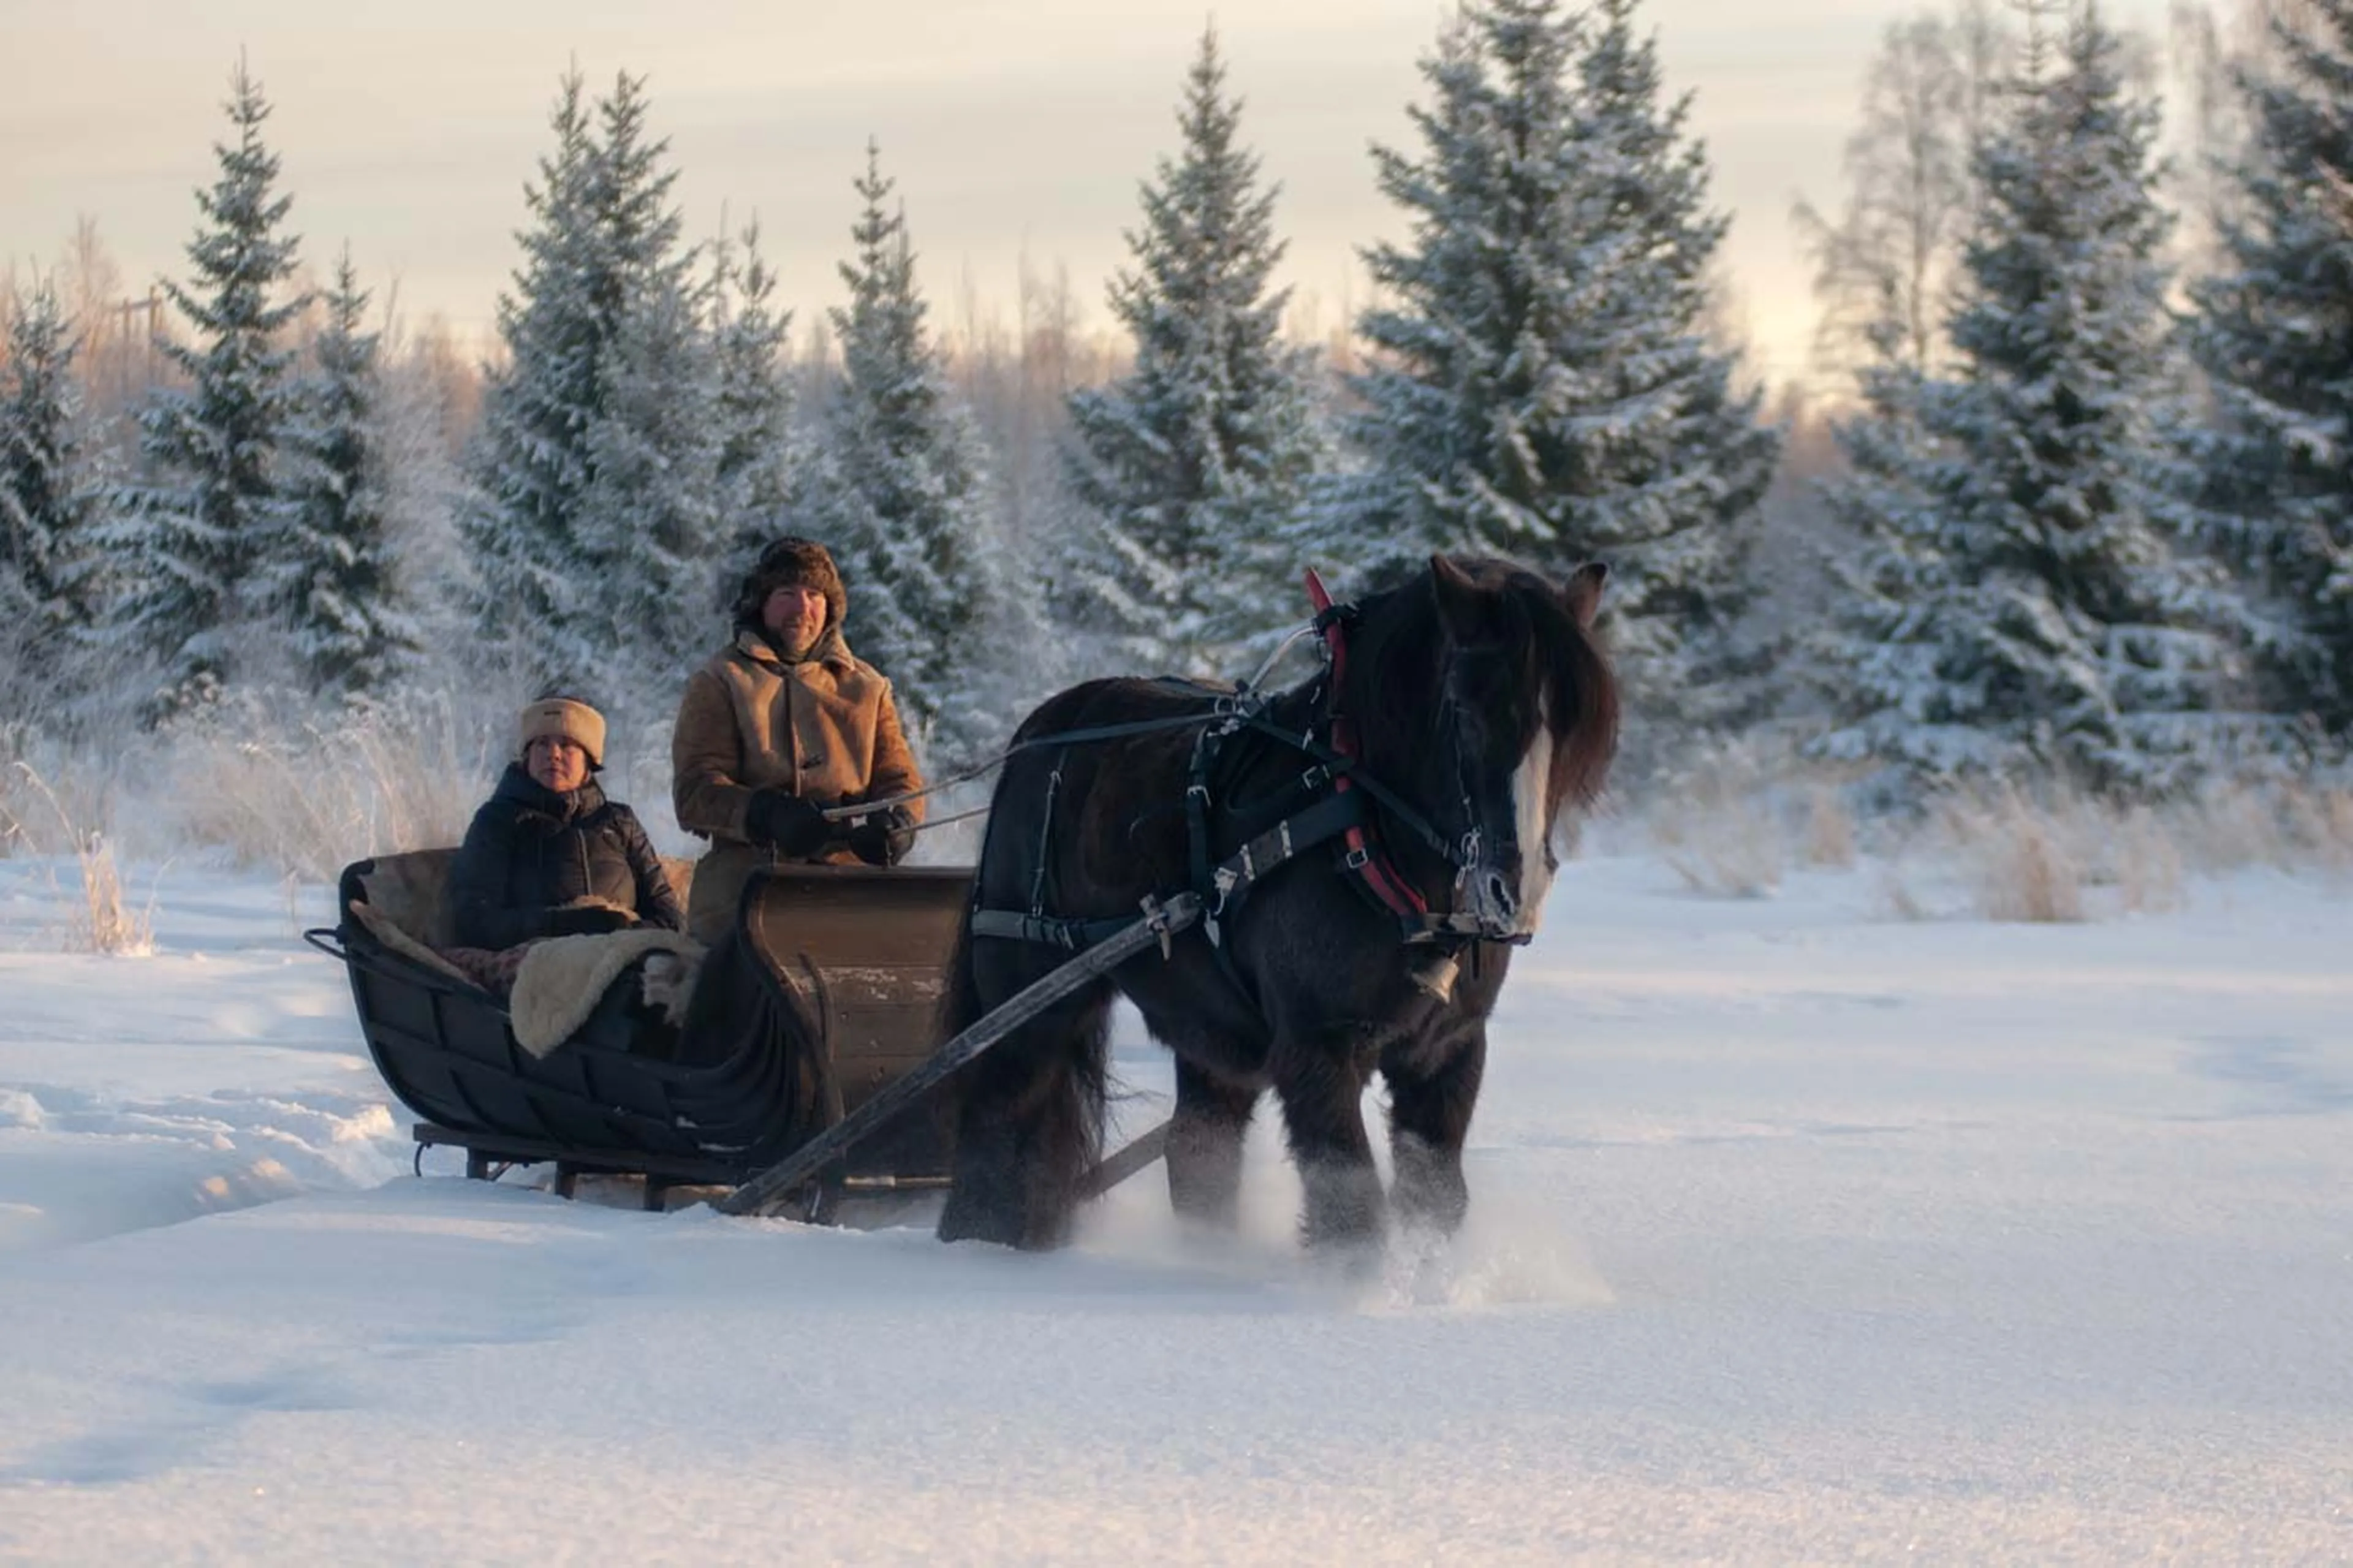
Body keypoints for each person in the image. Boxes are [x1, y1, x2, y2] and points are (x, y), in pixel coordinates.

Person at [672, 537, 923, 942]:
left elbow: (901, 780)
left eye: (814, 595)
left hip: (851, 883)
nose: (803, 608)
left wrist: (898, 825)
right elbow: (695, 790)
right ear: (761, 603)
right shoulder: (720, 681)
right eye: (788, 594)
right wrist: (765, 814)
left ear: (830, 607)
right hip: (745, 888)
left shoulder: (867, 686)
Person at [448, 696, 686, 953]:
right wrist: (567, 924)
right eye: (542, 744)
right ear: (526, 757)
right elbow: (473, 921)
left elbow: (669, 917)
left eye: (567, 745)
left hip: (624, 954)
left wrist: (622, 934)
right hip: (534, 959)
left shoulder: (621, 822)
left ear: (589, 762)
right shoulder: (497, 820)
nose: (554, 754)